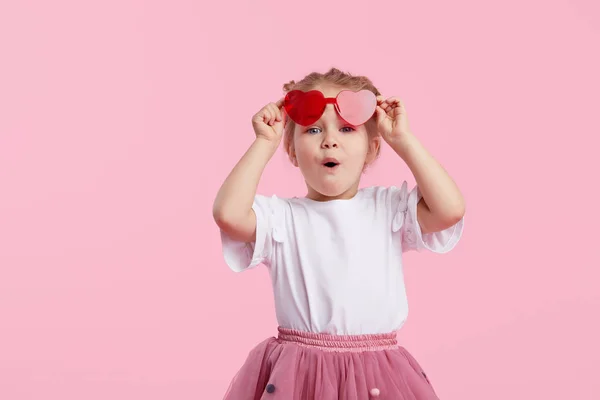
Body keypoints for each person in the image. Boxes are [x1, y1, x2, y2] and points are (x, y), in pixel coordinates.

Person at [212, 67, 465, 399]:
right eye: (313, 129)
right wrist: (264, 142)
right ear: (291, 151)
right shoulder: (282, 218)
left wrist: (404, 141)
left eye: (347, 129)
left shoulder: (387, 208)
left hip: (379, 373)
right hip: (299, 374)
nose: (330, 139)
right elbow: (228, 214)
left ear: (372, 149)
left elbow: (449, 211)